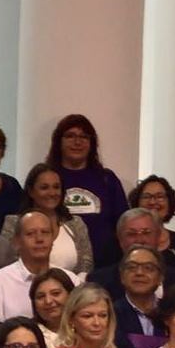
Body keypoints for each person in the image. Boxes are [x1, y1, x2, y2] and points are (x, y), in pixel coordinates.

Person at [45, 114, 128, 267]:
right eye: (70, 136)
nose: (77, 142)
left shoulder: (107, 179)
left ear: (92, 143)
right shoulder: (47, 179)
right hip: (58, 267)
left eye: (84, 137)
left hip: (104, 266)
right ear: (59, 142)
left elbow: (123, 224)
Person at [0, 210, 85, 321]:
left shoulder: (72, 279)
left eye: (45, 232)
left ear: (53, 239)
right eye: (30, 233)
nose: (39, 239)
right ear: (16, 241)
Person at [0, 164, 93, 274]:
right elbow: (7, 263)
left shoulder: (75, 223)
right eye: (44, 188)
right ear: (31, 191)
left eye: (56, 187)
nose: (52, 193)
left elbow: (86, 265)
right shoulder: (13, 223)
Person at [89, 208, 175, 300]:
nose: (140, 240)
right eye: (131, 234)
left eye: (146, 233)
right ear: (120, 239)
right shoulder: (98, 282)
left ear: (158, 237)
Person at [112, 245, 169, 348]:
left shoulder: (171, 313)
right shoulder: (110, 314)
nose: (139, 273)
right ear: (122, 276)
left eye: (148, 268)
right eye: (132, 267)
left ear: (160, 277)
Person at [128, 174, 175, 253]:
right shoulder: (126, 239)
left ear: (170, 202)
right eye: (146, 197)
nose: (152, 202)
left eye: (160, 197)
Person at [30, 268, 76, 348]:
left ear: (70, 294)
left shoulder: (85, 330)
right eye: (41, 296)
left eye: (55, 293)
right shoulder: (28, 334)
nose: (48, 301)